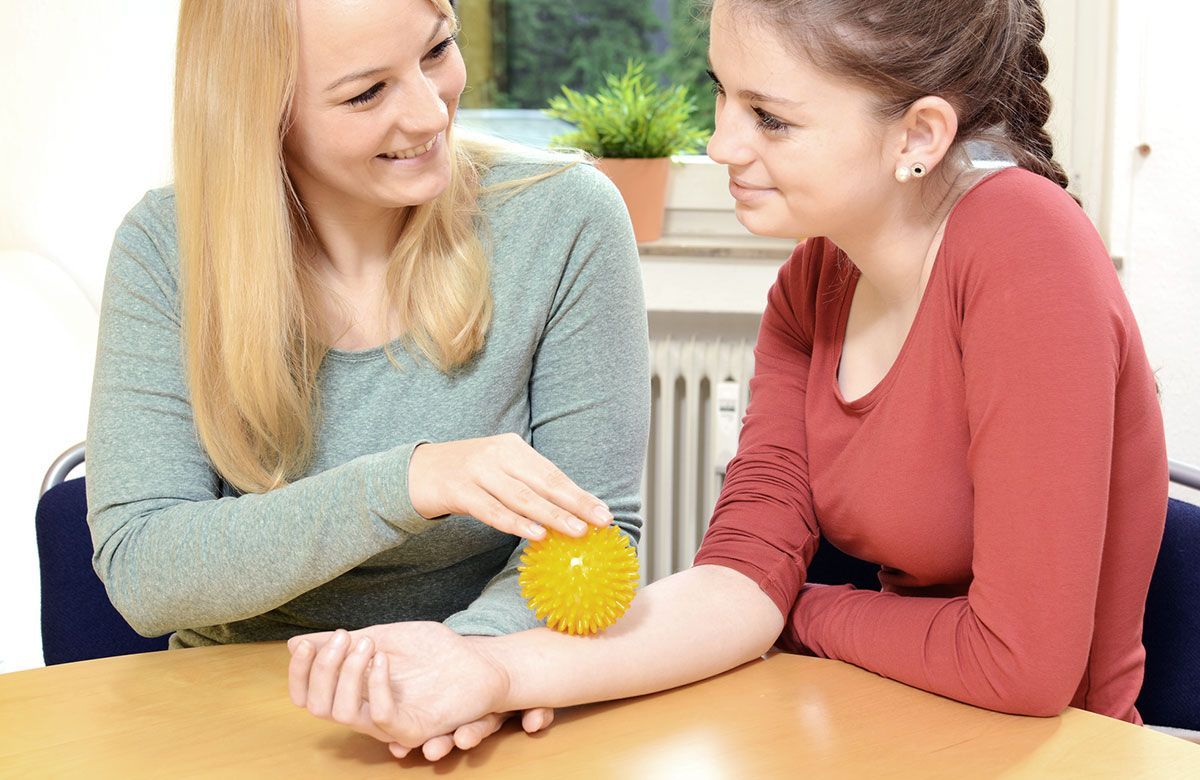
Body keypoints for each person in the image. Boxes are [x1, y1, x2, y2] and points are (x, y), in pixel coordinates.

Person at [288, 0, 1170, 761]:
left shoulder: (1026, 251)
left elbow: (1019, 666)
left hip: (1059, 756)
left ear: (919, 135)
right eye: (721, 94)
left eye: (770, 118)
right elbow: (742, 575)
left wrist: (800, 612)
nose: (720, 143)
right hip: (892, 729)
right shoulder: (813, 285)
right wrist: (490, 670)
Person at [85, 0, 649, 699]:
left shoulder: (566, 218)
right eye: (367, 92)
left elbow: (597, 532)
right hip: (236, 707)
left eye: (437, 51)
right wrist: (408, 483)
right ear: (260, 111)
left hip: (486, 691)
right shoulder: (166, 249)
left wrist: (463, 668)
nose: (430, 114)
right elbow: (144, 571)